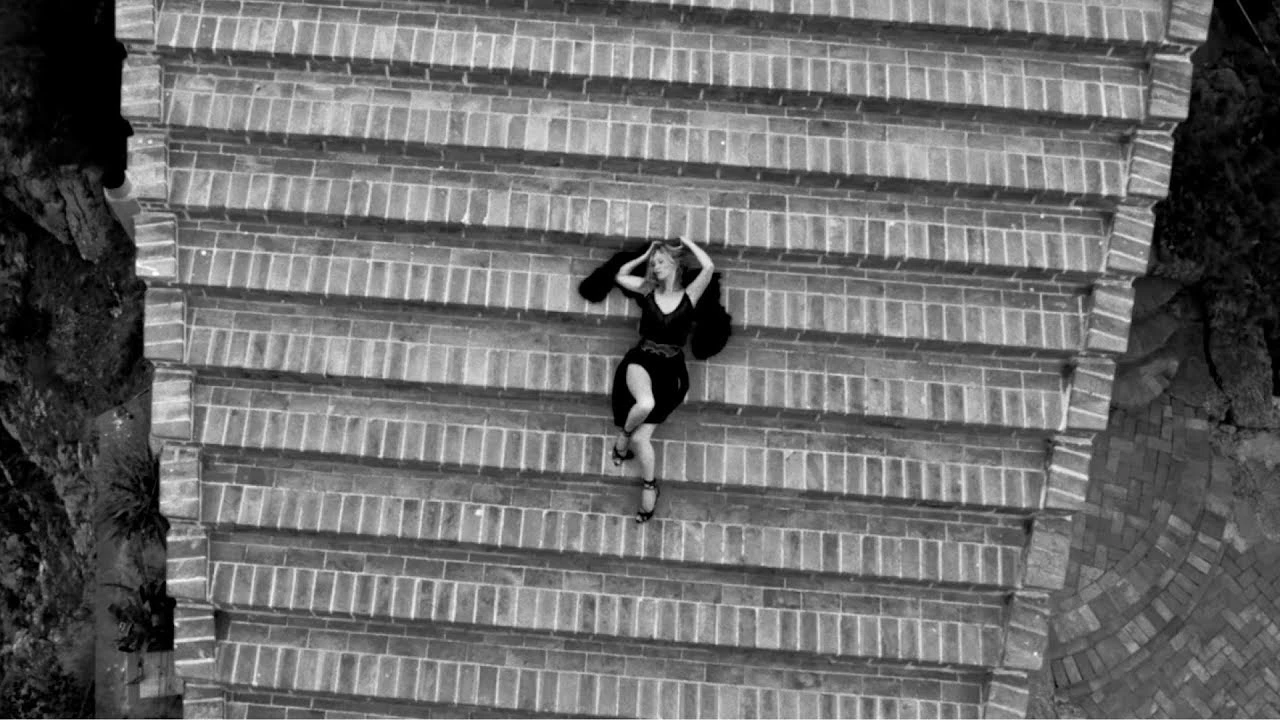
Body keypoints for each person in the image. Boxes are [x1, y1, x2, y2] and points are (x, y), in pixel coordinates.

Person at [609, 236, 715, 523]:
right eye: (653, 263)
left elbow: (708, 267)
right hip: (641, 361)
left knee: (644, 439)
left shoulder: (689, 296)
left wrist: (687, 243)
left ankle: (650, 483)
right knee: (644, 404)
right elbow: (620, 276)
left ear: (674, 263)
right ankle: (622, 438)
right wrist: (644, 255)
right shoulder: (647, 290)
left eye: (660, 261)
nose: (655, 267)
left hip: (670, 371)